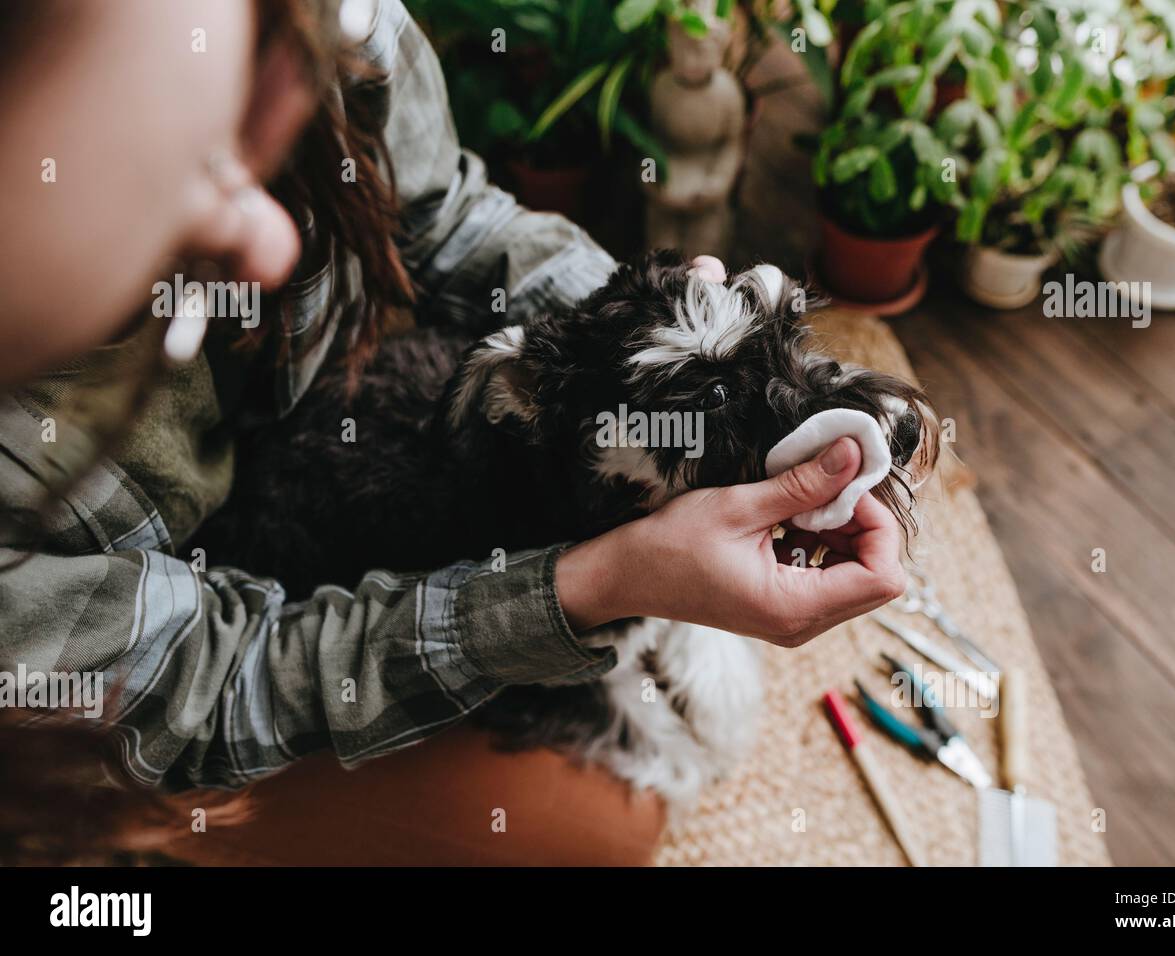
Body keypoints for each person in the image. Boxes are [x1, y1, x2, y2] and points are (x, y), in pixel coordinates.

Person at [0, 0, 904, 864]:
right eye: (173, 200)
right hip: (176, 648)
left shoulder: (328, 23)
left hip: (365, 435)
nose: (277, 251)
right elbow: (211, 686)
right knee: (604, 829)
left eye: (247, 123)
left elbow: (450, 215)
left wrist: (626, 328)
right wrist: (590, 587)